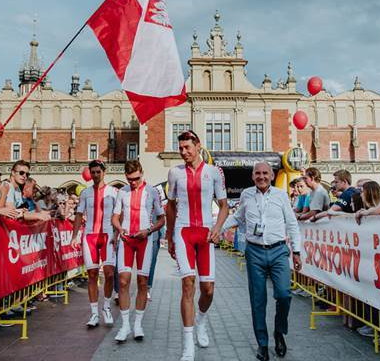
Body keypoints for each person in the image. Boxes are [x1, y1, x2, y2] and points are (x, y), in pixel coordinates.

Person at [225, 163, 301, 360]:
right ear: (252, 176)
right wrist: (217, 228)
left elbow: (292, 223)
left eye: (265, 173)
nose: (261, 177)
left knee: (284, 294)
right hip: (255, 252)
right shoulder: (246, 195)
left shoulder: (281, 195)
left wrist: (297, 251)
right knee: (258, 300)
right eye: (257, 173)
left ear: (272, 175)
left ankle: (279, 332)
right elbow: (238, 217)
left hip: (278, 251)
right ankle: (263, 344)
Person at [165, 130, 228, 361]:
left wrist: (218, 228)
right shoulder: (174, 173)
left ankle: (201, 319)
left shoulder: (213, 172)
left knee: (208, 290)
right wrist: (170, 236)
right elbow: (170, 206)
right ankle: (188, 345)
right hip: (183, 232)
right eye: (180, 148)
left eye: (187, 148)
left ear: (198, 146)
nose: (183, 152)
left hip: (206, 234)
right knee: (188, 285)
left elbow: (223, 205)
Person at [111, 160, 165, 342]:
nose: (133, 182)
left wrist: (148, 230)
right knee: (124, 282)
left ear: (142, 173)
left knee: (143, 283)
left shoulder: (152, 191)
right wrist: (119, 229)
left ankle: (138, 324)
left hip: (145, 240)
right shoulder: (122, 192)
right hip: (126, 240)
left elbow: (161, 219)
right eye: (129, 179)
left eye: (136, 178)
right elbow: (115, 217)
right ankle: (125, 325)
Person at [71, 160, 119, 328]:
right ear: (90, 174)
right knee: (91, 275)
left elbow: (118, 216)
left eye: (99, 172)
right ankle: (94, 313)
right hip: (90, 236)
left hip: (107, 236)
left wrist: (117, 233)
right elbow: (78, 214)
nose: (96, 175)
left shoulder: (113, 192)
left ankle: (106, 307)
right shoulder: (85, 193)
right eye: (93, 172)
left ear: (104, 172)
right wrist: (75, 235)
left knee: (110, 274)